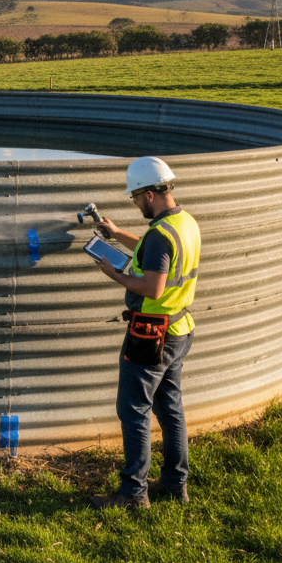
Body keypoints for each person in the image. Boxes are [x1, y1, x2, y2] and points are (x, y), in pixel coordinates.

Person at [89, 156, 200, 510]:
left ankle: (133, 495)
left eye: (135, 197)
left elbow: (152, 286)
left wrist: (113, 273)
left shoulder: (158, 235)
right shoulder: (184, 223)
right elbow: (154, 250)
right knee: (170, 408)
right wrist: (117, 233)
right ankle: (174, 484)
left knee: (133, 409)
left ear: (150, 194)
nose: (135, 203)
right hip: (180, 328)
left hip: (152, 335)